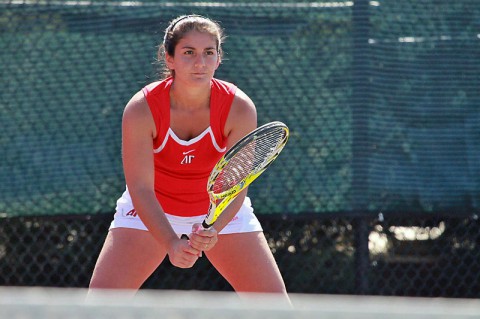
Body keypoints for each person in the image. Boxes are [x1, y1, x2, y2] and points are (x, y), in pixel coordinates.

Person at [88, 15, 289, 301]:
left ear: (219, 59)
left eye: (209, 52)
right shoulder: (141, 109)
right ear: (169, 58)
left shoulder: (239, 108)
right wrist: (170, 241)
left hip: (222, 214)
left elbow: (237, 187)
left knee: (276, 308)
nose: (200, 63)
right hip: (151, 210)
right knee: (97, 307)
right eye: (188, 52)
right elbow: (140, 188)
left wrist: (213, 231)